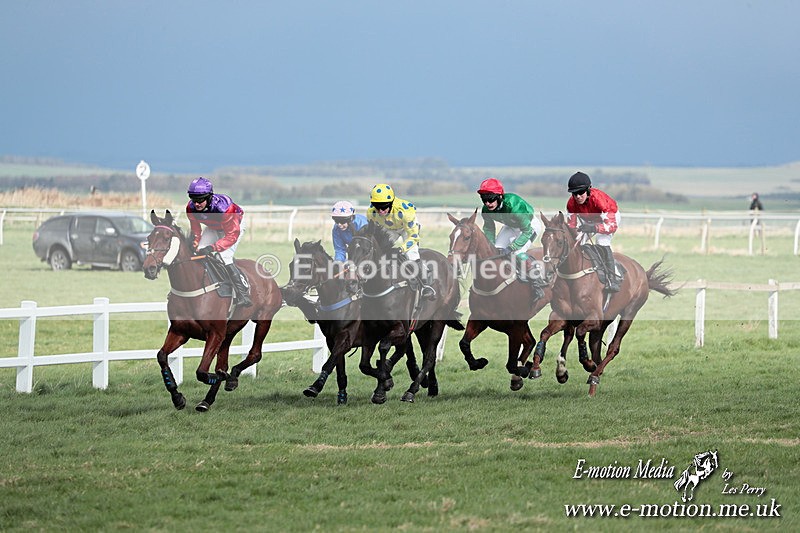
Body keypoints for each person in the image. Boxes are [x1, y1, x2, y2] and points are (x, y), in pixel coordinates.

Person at [186, 177, 251, 307]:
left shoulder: (223, 208)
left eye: (200, 200)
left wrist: (213, 247)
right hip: (213, 227)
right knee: (199, 252)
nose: (197, 204)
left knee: (223, 256)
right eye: (194, 199)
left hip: (234, 227)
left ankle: (243, 293)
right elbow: (196, 231)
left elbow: (232, 235)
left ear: (209, 197)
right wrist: (195, 244)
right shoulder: (190, 208)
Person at [477, 177, 546, 300]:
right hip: (511, 226)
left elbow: (526, 231)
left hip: (529, 226)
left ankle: (537, 281)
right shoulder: (486, 210)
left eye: (491, 199)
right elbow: (489, 228)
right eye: (484, 199)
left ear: (500, 197)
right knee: (496, 251)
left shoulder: (514, 206)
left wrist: (511, 247)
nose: (488, 203)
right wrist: (491, 245)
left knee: (517, 252)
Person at [367, 183, 435, 300]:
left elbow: (413, 236)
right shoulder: (371, 213)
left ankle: (425, 285)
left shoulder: (405, 212)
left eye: (384, 206)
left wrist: (401, 248)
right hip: (389, 228)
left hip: (406, 229)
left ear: (392, 202)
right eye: (377, 206)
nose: (381, 210)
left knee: (411, 254)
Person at [566, 171, 620, 292]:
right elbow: (571, 226)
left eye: (581, 193)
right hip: (589, 220)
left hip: (609, 219)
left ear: (589, 190)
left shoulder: (599, 200)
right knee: (578, 242)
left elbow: (611, 226)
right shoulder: (571, 204)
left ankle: (613, 278)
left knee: (602, 241)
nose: (577, 197)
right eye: (574, 193)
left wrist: (594, 228)